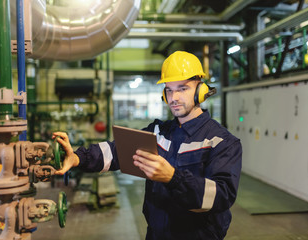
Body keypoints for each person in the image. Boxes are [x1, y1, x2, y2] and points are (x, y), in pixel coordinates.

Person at [53, 51, 242, 240]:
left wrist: (173, 178)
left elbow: (221, 196)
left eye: (182, 88)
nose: (173, 97)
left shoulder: (221, 142)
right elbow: (115, 151)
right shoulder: (158, 132)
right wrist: (78, 157)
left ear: (200, 90)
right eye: (169, 89)